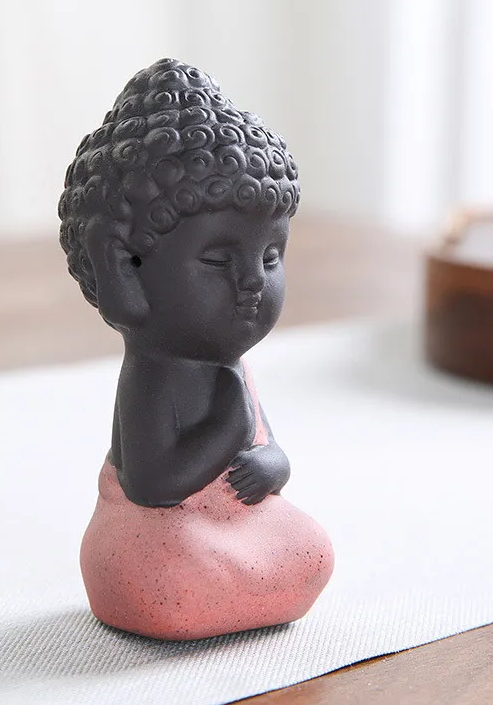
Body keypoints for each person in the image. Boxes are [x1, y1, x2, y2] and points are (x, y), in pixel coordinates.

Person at [59, 59, 333, 640]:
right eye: (216, 260)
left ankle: (239, 589)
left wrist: (271, 466)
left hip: (230, 522)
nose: (253, 281)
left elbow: (269, 449)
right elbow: (154, 484)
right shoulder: (156, 373)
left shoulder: (231, 367)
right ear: (124, 271)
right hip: (161, 532)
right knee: (177, 573)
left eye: (270, 257)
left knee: (310, 548)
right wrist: (228, 429)